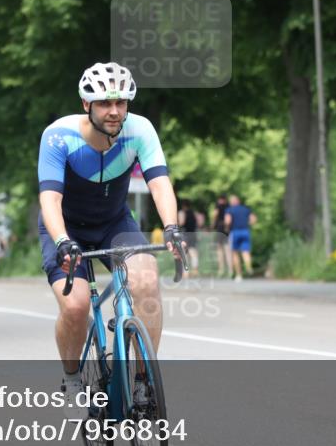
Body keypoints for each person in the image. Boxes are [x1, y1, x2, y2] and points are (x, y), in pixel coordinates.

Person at [37, 61, 185, 406]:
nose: (114, 111)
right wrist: (62, 241)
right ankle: (72, 379)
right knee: (76, 307)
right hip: (65, 227)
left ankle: (143, 382)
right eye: (104, 103)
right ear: (86, 104)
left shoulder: (140, 129)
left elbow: (160, 183)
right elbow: (50, 199)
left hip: (114, 223)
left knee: (146, 281)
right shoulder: (58, 136)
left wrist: (171, 228)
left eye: (121, 102)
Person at [224, 194, 257, 281]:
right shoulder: (246, 209)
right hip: (245, 231)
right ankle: (249, 268)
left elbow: (228, 221)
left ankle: (239, 274)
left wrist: (227, 228)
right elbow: (253, 219)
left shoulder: (229, 210)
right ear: (238, 201)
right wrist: (248, 224)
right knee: (245, 252)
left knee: (235, 253)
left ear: (232, 202)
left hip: (235, 232)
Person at [178, 199, 201, 276]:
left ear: (183, 205)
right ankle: (195, 270)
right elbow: (198, 223)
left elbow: (182, 222)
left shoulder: (182, 212)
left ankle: (186, 272)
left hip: (185, 234)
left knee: (184, 253)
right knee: (193, 252)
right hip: (193, 234)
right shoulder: (194, 213)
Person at [212, 195, 231, 278]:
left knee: (219, 250)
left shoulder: (218, 206)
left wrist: (212, 225)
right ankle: (230, 270)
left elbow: (215, 215)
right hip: (227, 230)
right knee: (228, 250)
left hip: (220, 228)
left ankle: (221, 270)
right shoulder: (229, 207)